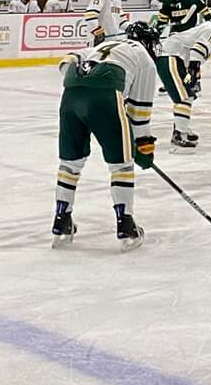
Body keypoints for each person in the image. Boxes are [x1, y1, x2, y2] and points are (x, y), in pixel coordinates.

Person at [52, 21, 158, 250]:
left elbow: (67, 61)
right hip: (106, 93)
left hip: (71, 92)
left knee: (70, 163)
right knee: (121, 165)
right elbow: (139, 115)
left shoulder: (106, 45)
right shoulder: (145, 60)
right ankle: (126, 226)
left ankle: (61, 222)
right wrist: (144, 148)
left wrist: (82, 81)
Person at [155, 7, 211, 149]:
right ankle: (179, 134)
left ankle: (181, 127)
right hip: (171, 57)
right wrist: (193, 75)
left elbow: (195, 56)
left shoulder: (208, 28)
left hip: (174, 58)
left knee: (188, 96)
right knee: (185, 97)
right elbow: (197, 52)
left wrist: (194, 76)